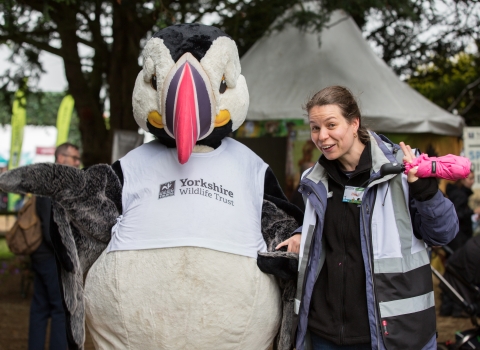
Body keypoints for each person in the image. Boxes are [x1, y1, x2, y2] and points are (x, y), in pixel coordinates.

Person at [276, 86, 458, 350]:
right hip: (325, 334)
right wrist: (298, 232)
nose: (322, 136)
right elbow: (307, 224)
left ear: (354, 123)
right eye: (315, 128)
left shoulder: (403, 169)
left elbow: (444, 233)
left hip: (392, 335)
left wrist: (424, 189)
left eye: (331, 125)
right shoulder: (313, 181)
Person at [28, 142, 80, 350]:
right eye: (74, 158)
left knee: (40, 308)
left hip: (40, 254)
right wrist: (69, 260)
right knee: (61, 308)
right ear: (61, 158)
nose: (77, 162)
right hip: (51, 256)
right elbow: (53, 231)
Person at [445, 171, 480, 252]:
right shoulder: (460, 195)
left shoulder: (457, 192)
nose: (473, 181)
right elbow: (457, 214)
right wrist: (474, 211)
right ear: (462, 180)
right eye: (470, 179)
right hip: (459, 237)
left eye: (473, 178)